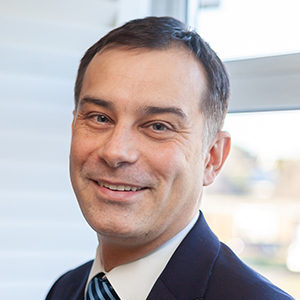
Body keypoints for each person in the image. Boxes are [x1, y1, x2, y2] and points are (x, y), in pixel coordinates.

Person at [45, 16, 294, 300]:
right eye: (100, 118)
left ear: (212, 158)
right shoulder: (65, 289)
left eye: (158, 126)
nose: (115, 151)